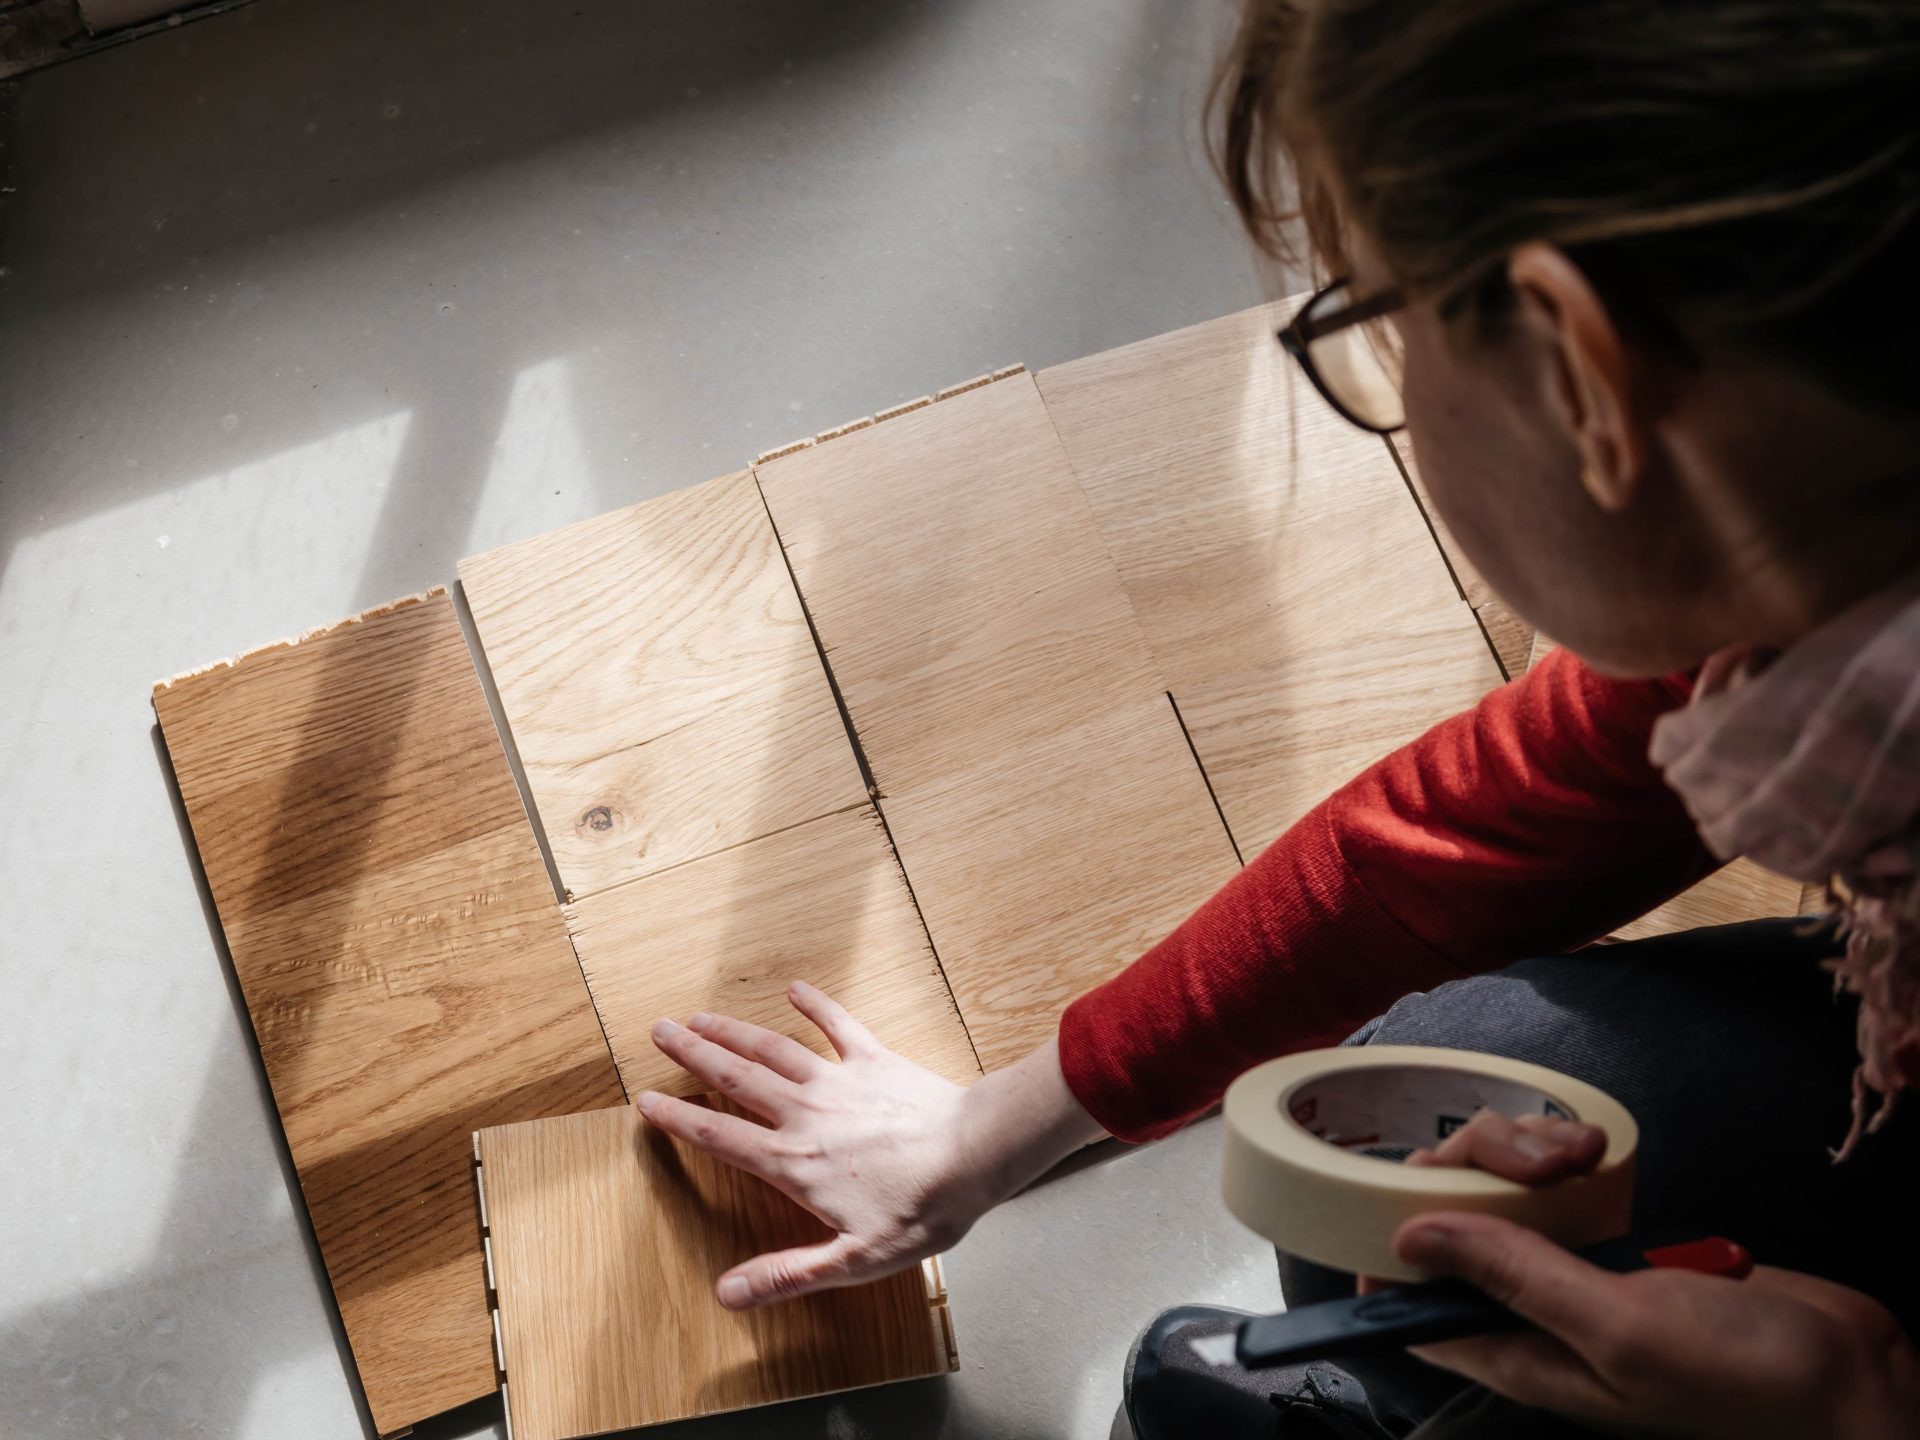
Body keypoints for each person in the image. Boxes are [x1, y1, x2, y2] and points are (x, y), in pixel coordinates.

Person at [634, 1, 1920, 1433]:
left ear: (1579, 372)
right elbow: (1479, 830)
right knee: (1402, 1129)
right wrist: (988, 1131)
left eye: (1376, 317)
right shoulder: (1820, 583)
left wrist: (1859, 1413)